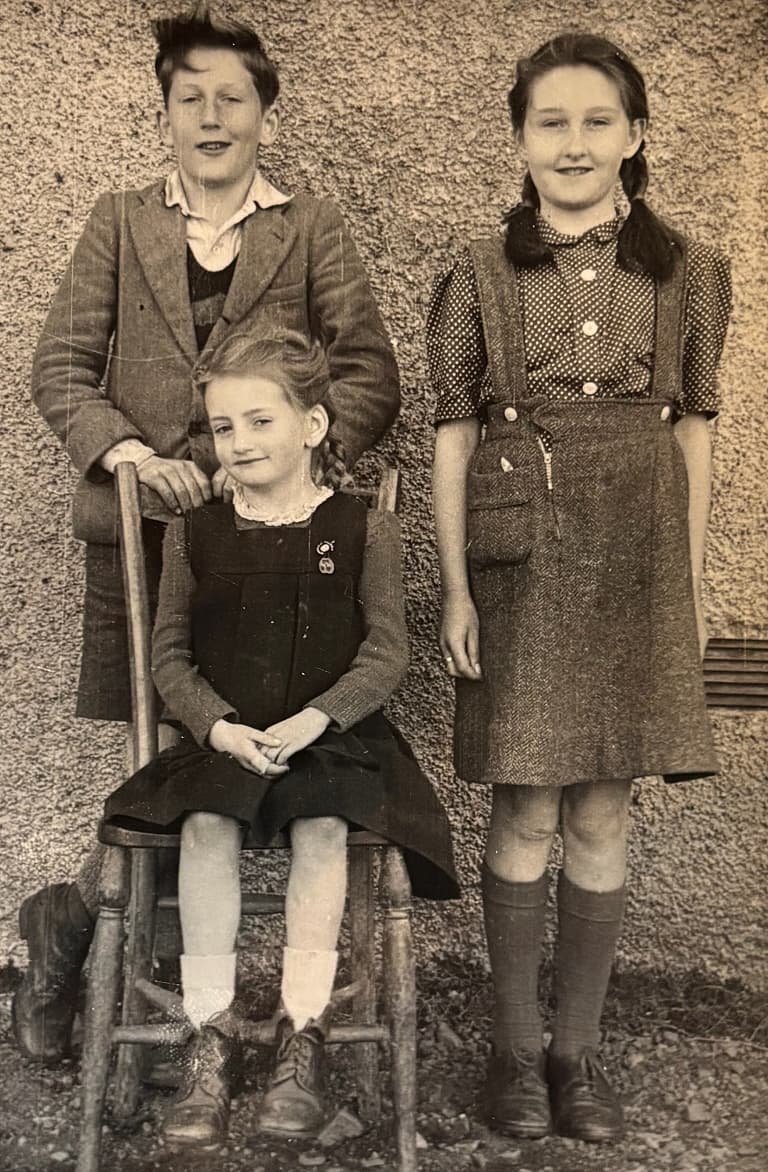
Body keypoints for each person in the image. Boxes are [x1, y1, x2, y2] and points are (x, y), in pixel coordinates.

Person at [14, 2, 400, 1065]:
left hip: (271, 542)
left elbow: (369, 371)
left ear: (267, 114)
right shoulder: (118, 219)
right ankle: (160, 997)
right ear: (166, 112)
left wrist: (296, 470)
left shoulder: (309, 226)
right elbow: (59, 368)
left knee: (221, 751)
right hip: (146, 535)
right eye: (192, 98)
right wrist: (134, 456)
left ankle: (112, 952)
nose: (214, 116)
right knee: (177, 750)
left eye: (236, 97)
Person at [428, 33, 730, 1144]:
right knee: (525, 800)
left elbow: (696, 434)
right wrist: (457, 587)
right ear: (519, 140)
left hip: (640, 555)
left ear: (636, 137)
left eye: (597, 120)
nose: (573, 142)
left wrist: (685, 590)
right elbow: (453, 436)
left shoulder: (689, 270)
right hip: (523, 554)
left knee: (604, 804)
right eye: (550, 122)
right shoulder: (475, 272)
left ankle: (576, 1058)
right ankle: (512, 1053)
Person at [101, 331, 458, 1147]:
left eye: (260, 421)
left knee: (324, 825)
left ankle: (304, 1036)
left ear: (312, 426)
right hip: (223, 736)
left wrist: (316, 719)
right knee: (203, 825)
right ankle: (208, 1036)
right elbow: (168, 657)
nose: (241, 443)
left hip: (328, 735)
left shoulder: (364, 529)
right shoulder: (196, 534)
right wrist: (217, 726)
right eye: (224, 428)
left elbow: (386, 651)